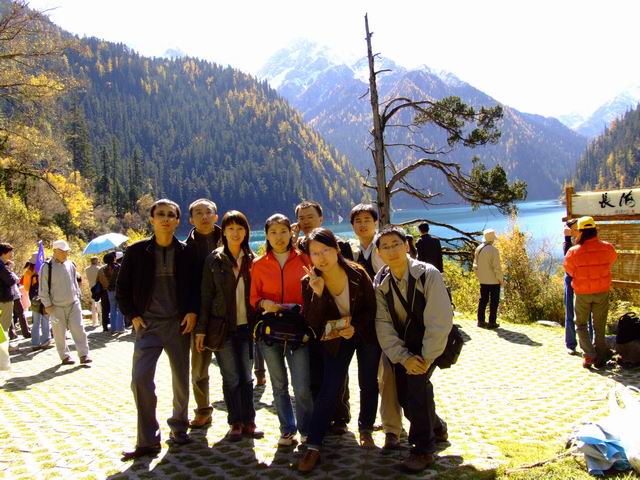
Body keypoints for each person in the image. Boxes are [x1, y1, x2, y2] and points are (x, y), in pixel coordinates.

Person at [117, 199, 199, 460]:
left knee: (180, 380)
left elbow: (197, 288)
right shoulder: (136, 251)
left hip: (178, 325)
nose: (165, 218)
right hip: (148, 326)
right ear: (152, 219)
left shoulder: (187, 252)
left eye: (170, 215)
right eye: (160, 214)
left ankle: (179, 428)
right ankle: (148, 440)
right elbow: (122, 289)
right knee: (140, 380)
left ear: (177, 221)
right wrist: (133, 315)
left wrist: (192, 311)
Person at [298, 228, 379, 473]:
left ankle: (366, 428)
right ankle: (314, 445)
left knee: (368, 381)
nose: (321, 257)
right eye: (315, 253)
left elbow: (371, 308)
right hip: (335, 339)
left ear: (336, 249)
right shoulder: (309, 281)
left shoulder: (357, 273)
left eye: (325, 250)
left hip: (363, 334)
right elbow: (312, 321)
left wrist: (355, 326)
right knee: (330, 386)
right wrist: (318, 292)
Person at [374, 227, 453, 472]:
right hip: (404, 349)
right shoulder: (380, 282)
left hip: (430, 345)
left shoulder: (427, 275)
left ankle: (423, 450)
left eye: (395, 244)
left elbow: (439, 320)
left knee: (417, 390)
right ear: (379, 253)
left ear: (406, 246)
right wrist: (403, 357)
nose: (391, 250)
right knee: (405, 397)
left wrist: (425, 359)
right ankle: (437, 427)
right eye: (385, 247)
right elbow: (383, 324)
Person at [195, 210, 263, 441]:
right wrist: (201, 329)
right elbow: (206, 296)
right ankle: (235, 422)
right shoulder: (214, 260)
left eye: (240, 228)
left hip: (246, 328)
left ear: (246, 232)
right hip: (222, 328)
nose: (236, 233)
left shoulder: (253, 260)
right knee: (231, 377)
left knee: (246, 377)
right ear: (223, 232)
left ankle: (249, 421)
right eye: (231, 228)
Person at [250, 213, 313, 446]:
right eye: (273, 232)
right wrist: (263, 303)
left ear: (291, 233)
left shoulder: (305, 260)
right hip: (270, 331)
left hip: (298, 331)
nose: (279, 237)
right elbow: (253, 298)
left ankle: (306, 429)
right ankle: (287, 429)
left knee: (302, 386)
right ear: (266, 235)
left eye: (283, 231)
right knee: (278, 385)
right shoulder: (259, 264)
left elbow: (315, 292)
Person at [295, 200, 351, 435]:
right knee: (314, 370)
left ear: (321, 218)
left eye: (310, 217)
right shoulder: (297, 247)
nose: (306, 221)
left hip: (336, 319)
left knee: (337, 372)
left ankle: (340, 416)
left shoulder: (338, 245)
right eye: (301, 218)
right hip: (308, 316)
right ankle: (321, 416)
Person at [184, 198, 222, 428]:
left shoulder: (230, 238)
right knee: (199, 368)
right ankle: (203, 410)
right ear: (191, 220)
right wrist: (190, 311)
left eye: (208, 212)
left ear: (216, 216)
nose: (204, 216)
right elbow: (184, 285)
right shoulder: (185, 249)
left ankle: (241, 417)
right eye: (198, 213)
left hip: (227, 313)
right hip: (199, 316)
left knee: (235, 369)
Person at [564, 216, 617, 369]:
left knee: (580, 324)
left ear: (580, 232)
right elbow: (612, 260)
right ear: (595, 230)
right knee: (599, 325)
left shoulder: (573, 251)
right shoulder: (607, 247)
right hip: (601, 291)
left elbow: (569, 270)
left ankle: (589, 355)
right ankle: (600, 357)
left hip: (582, 293)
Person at [39, 240, 92, 366]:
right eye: (62, 251)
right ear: (55, 251)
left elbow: (75, 283)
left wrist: (78, 296)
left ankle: (84, 354)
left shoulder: (70, 264)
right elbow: (43, 288)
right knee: (59, 333)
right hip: (55, 306)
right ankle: (65, 356)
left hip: (73, 303)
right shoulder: (46, 267)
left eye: (67, 251)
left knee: (79, 329)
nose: (65, 254)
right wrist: (47, 305)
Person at [563, 219, 594, 355]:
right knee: (570, 310)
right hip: (570, 278)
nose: (576, 231)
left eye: (578, 229)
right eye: (574, 229)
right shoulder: (568, 243)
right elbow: (567, 258)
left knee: (588, 312)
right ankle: (570, 344)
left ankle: (590, 343)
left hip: (585, 278)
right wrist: (567, 237)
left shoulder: (586, 241)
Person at [473, 228, 503, 329]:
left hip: (483, 280)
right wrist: (500, 280)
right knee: (494, 302)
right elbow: (497, 268)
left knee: (483, 300)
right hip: (494, 281)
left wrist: (479, 276)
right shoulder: (494, 250)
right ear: (492, 239)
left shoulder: (478, 249)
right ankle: (492, 322)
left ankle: (480, 321)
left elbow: (475, 265)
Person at [23, 254, 52, 351]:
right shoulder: (44, 270)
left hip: (35, 300)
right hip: (45, 298)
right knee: (46, 319)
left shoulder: (28, 272)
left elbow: (26, 287)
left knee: (36, 321)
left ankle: (35, 343)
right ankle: (45, 342)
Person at [97, 252, 124, 334]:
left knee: (112, 309)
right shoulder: (118, 267)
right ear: (113, 259)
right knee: (120, 309)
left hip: (109, 291)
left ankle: (113, 328)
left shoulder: (104, 269)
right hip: (118, 290)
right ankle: (120, 328)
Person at [0, 243, 18, 354]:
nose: (12, 254)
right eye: (10, 252)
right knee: (4, 325)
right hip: (4, 300)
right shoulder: (2, 266)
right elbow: (11, 280)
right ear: (4, 253)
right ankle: (3, 349)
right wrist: (10, 269)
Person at [85, 256, 102, 327]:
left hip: (91, 287)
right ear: (95, 261)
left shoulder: (86, 269)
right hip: (98, 287)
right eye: (97, 260)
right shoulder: (98, 268)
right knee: (99, 305)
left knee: (93, 305)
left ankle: (94, 322)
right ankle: (101, 321)